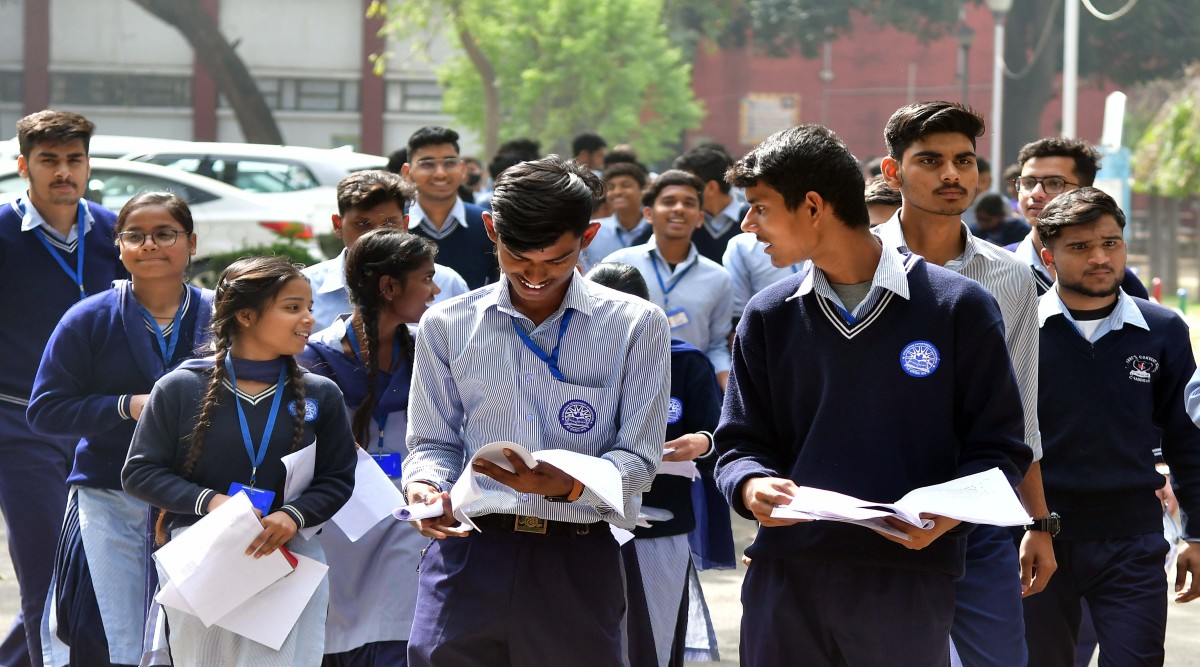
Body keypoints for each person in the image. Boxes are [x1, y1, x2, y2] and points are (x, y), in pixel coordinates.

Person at [716, 124, 1031, 666]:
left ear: (812, 206)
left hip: (906, 580)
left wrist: (945, 518)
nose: (748, 226)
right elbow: (739, 443)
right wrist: (750, 486)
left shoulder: (958, 307)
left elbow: (1001, 449)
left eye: (761, 208)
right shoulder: (769, 315)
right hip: (787, 577)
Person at [401, 156, 671, 667]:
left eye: (556, 260)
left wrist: (568, 486)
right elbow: (432, 441)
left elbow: (639, 457)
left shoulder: (636, 326)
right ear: (491, 230)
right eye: (518, 257)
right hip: (471, 551)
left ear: (588, 236)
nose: (536, 276)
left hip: (577, 555)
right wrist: (425, 484)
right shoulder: (446, 324)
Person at [875, 101, 1051, 667]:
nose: (951, 174)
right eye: (930, 160)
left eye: (963, 160)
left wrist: (1039, 523)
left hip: (977, 513)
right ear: (892, 171)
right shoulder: (850, 265)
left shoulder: (1012, 277)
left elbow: (1021, 410)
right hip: (870, 511)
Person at [122, 256, 357, 666]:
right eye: (292, 307)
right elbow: (139, 473)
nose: (309, 318)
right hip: (203, 564)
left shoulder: (322, 393)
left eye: (308, 307)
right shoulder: (179, 388)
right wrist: (214, 503)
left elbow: (338, 478)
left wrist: (293, 516)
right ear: (246, 315)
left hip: (288, 562)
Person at [27, 193, 211, 667]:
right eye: (136, 235)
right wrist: (127, 406)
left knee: (200, 635)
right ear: (120, 246)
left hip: (204, 501)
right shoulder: (88, 318)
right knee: (104, 635)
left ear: (191, 242)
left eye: (165, 233)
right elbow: (45, 410)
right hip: (109, 496)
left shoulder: (222, 316)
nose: (150, 245)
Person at [1031, 187, 1200, 666]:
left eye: (1111, 243)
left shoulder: (1163, 329)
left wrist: (1197, 534)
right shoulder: (1017, 327)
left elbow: (1188, 441)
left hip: (1131, 540)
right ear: (1049, 257)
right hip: (1038, 536)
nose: (1100, 257)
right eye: (1080, 247)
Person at [0, 110, 125, 667]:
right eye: (49, 161)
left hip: (106, 425)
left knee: (93, 570)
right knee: (44, 571)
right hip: (21, 424)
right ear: (23, 165)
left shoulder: (118, 232)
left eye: (74, 160)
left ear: (88, 166)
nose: (63, 173)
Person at [299, 229, 439, 666]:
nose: (436, 289)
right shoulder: (313, 358)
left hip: (406, 516)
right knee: (335, 638)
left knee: (401, 634)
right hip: (337, 521)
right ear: (389, 287)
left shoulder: (429, 350)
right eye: (426, 278)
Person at [585, 262, 726, 666]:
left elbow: (719, 432)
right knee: (587, 635)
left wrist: (701, 441)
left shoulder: (683, 362)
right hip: (582, 520)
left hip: (661, 522)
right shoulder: (566, 360)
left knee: (654, 637)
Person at [601, 170, 733, 389]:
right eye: (669, 202)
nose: (679, 209)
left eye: (689, 203)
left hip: (692, 387)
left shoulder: (719, 277)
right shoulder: (618, 265)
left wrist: (726, 386)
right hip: (626, 382)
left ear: (700, 218)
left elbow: (716, 345)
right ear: (649, 214)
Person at [303, 170, 466, 330]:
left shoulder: (447, 283)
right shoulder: (307, 289)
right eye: (362, 224)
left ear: (405, 225)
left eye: (389, 224)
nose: (376, 234)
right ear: (338, 225)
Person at [1009, 137, 1147, 299]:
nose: (1036, 194)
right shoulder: (996, 268)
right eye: (1028, 183)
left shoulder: (1118, 280)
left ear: (1085, 192)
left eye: (1054, 183)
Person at [402, 126, 497, 289]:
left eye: (449, 163)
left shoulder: (487, 224)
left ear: (462, 169)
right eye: (427, 164)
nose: (440, 173)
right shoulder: (396, 227)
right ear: (408, 172)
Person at [674, 145, 749, 264]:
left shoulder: (752, 220)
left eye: (688, 184)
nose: (681, 190)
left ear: (711, 188)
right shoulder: (681, 221)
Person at [581, 162, 651, 270]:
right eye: (611, 187)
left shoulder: (655, 229)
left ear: (643, 190)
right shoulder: (593, 230)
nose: (618, 192)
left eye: (626, 185)